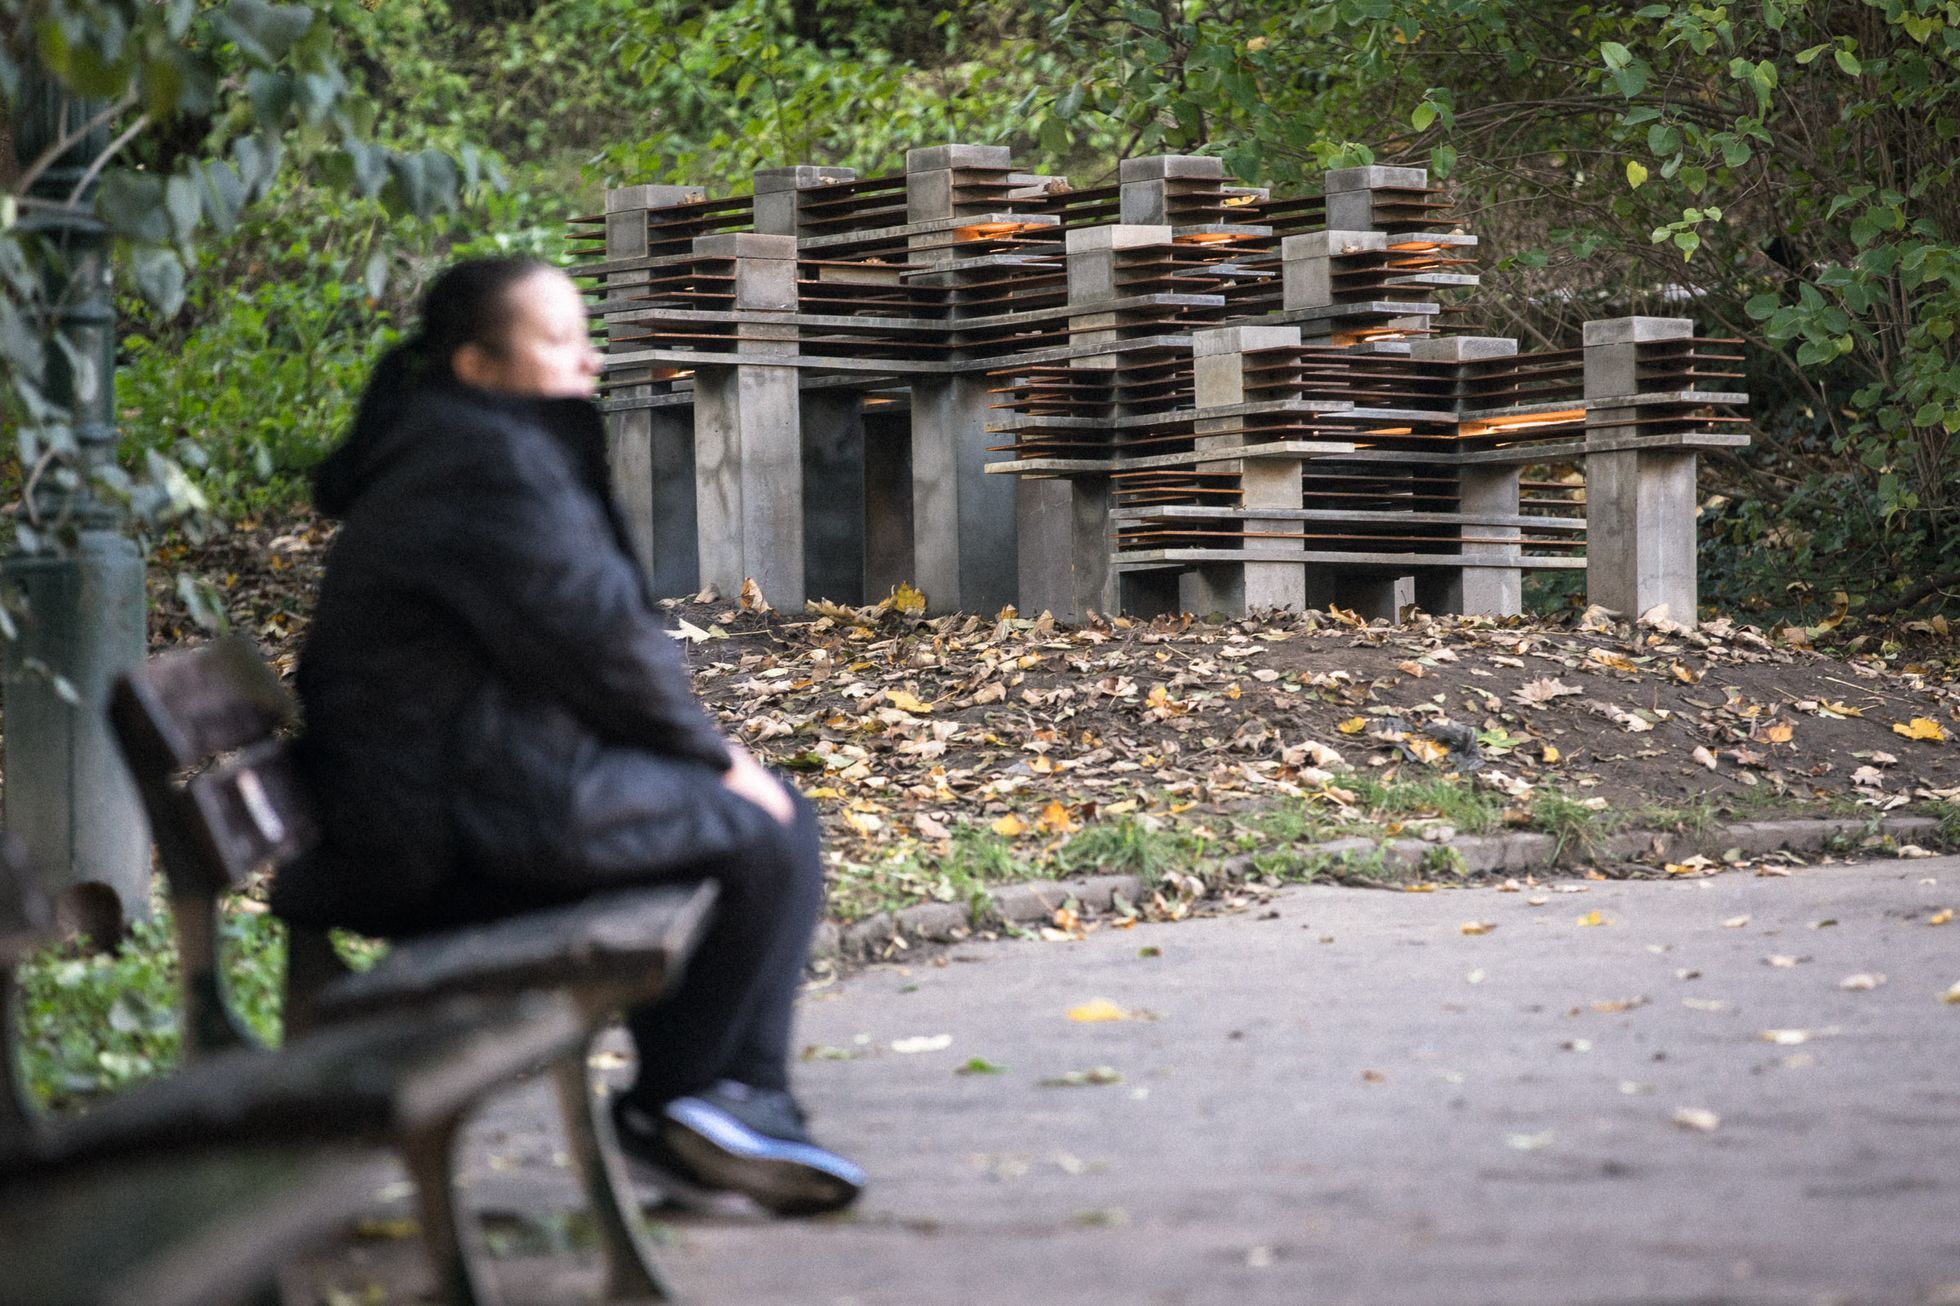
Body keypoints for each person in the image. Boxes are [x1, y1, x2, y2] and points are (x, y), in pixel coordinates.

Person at [271, 254, 863, 1216]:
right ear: (478, 366)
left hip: (448, 789)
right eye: (557, 342)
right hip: (435, 829)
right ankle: (699, 1106)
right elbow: (597, 641)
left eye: (585, 339)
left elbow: (575, 645)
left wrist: (709, 762)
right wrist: (716, 761)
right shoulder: (483, 463)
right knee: (767, 833)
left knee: (771, 823)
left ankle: (719, 1106)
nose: (586, 362)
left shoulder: (463, 446)